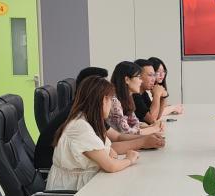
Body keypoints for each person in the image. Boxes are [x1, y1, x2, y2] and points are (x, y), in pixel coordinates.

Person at [34, 67, 164, 170]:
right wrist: (141, 144)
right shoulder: (78, 121)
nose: (112, 102)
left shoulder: (87, 113)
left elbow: (114, 140)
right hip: (57, 173)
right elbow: (111, 161)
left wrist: (145, 139)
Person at [46, 76, 139, 196]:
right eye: (111, 99)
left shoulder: (89, 120)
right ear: (103, 100)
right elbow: (111, 166)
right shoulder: (80, 127)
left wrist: (110, 157)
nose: (112, 104)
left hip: (83, 189)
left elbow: (111, 152)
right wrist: (129, 159)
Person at [108, 61, 162, 136]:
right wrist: (153, 129)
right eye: (139, 77)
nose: (141, 81)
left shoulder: (128, 97)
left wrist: (151, 127)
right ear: (127, 80)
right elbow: (126, 132)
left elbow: (134, 122)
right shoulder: (114, 101)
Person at [133, 58, 166, 125]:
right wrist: (157, 94)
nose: (153, 79)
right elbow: (152, 119)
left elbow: (157, 116)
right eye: (150, 75)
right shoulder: (134, 95)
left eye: (154, 75)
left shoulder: (143, 93)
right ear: (138, 76)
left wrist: (163, 97)